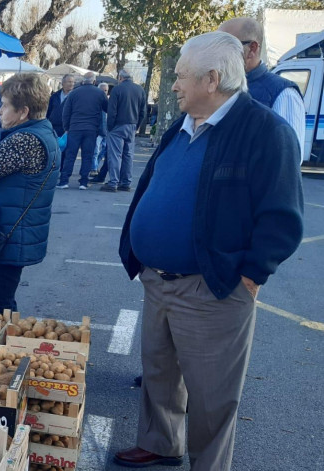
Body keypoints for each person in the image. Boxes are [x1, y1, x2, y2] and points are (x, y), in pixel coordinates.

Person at [113, 31, 303, 470]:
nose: (174, 85)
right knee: (159, 374)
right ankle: (161, 443)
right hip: (158, 279)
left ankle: (209, 464)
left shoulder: (264, 132)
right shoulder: (182, 125)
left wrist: (251, 276)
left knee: (213, 394)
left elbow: (283, 218)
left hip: (214, 286)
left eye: (180, 77)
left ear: (211, 79)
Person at [0, 73, 60, 314]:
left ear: (23, 111)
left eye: (5, 106)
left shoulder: (25, 140)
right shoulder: (38, 133)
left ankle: (6, 350)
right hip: (7, 232)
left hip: (4, 235)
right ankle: (5, 347)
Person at [219, 17, 306, 164]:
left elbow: (287, 162)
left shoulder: (283, 94)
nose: (218, 53)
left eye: (225, 45)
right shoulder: (218, 87)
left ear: (252, 49)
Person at [58, 72, 106, 190]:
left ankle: (64, 180)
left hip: (75, 128)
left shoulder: (74, 93)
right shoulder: (100, 93)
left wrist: (67, 128)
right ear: (94, 81)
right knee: (87, 155)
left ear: (83, 81)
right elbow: (107, 109)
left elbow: (66, 112)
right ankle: (83, 182)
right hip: (91, 129)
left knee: (70, 155)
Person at [101, 70, 147, 192]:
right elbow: (143, 111)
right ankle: (125, 182)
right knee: (128, 155)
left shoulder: (117, 89)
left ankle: (113, 182)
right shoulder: (140, 89)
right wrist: (136, 126)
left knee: (115, 155)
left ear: (120, 77)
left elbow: (112, 110)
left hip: (118, 125)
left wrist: (110, 126)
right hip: (132, 125)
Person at [90, 82, 111, 181]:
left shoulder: (110, 102)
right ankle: (93, 168)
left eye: (106, 90)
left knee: (103, 152)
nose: (104, 92)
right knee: (95, 150)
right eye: (102, 90)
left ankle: (95, 166)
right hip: (97, 131)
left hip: (107, 131)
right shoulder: (94, 101)